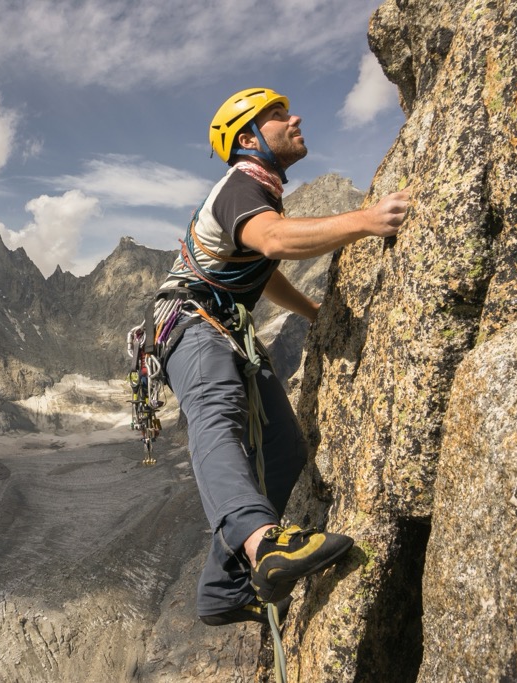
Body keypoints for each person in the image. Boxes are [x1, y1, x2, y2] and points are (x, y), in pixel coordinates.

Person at [153, 87, 409, 625]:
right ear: (248, 138)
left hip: (223, 328)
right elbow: (272, 242)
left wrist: (317, 314)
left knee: (286, 449)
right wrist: (365, 220)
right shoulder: (241, 187)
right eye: (277, 115)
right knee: (217, 418)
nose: (295, 119)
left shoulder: (259, 192)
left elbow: (263, 271)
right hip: (192, 325)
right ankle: (265, 545)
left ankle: (222, 590)